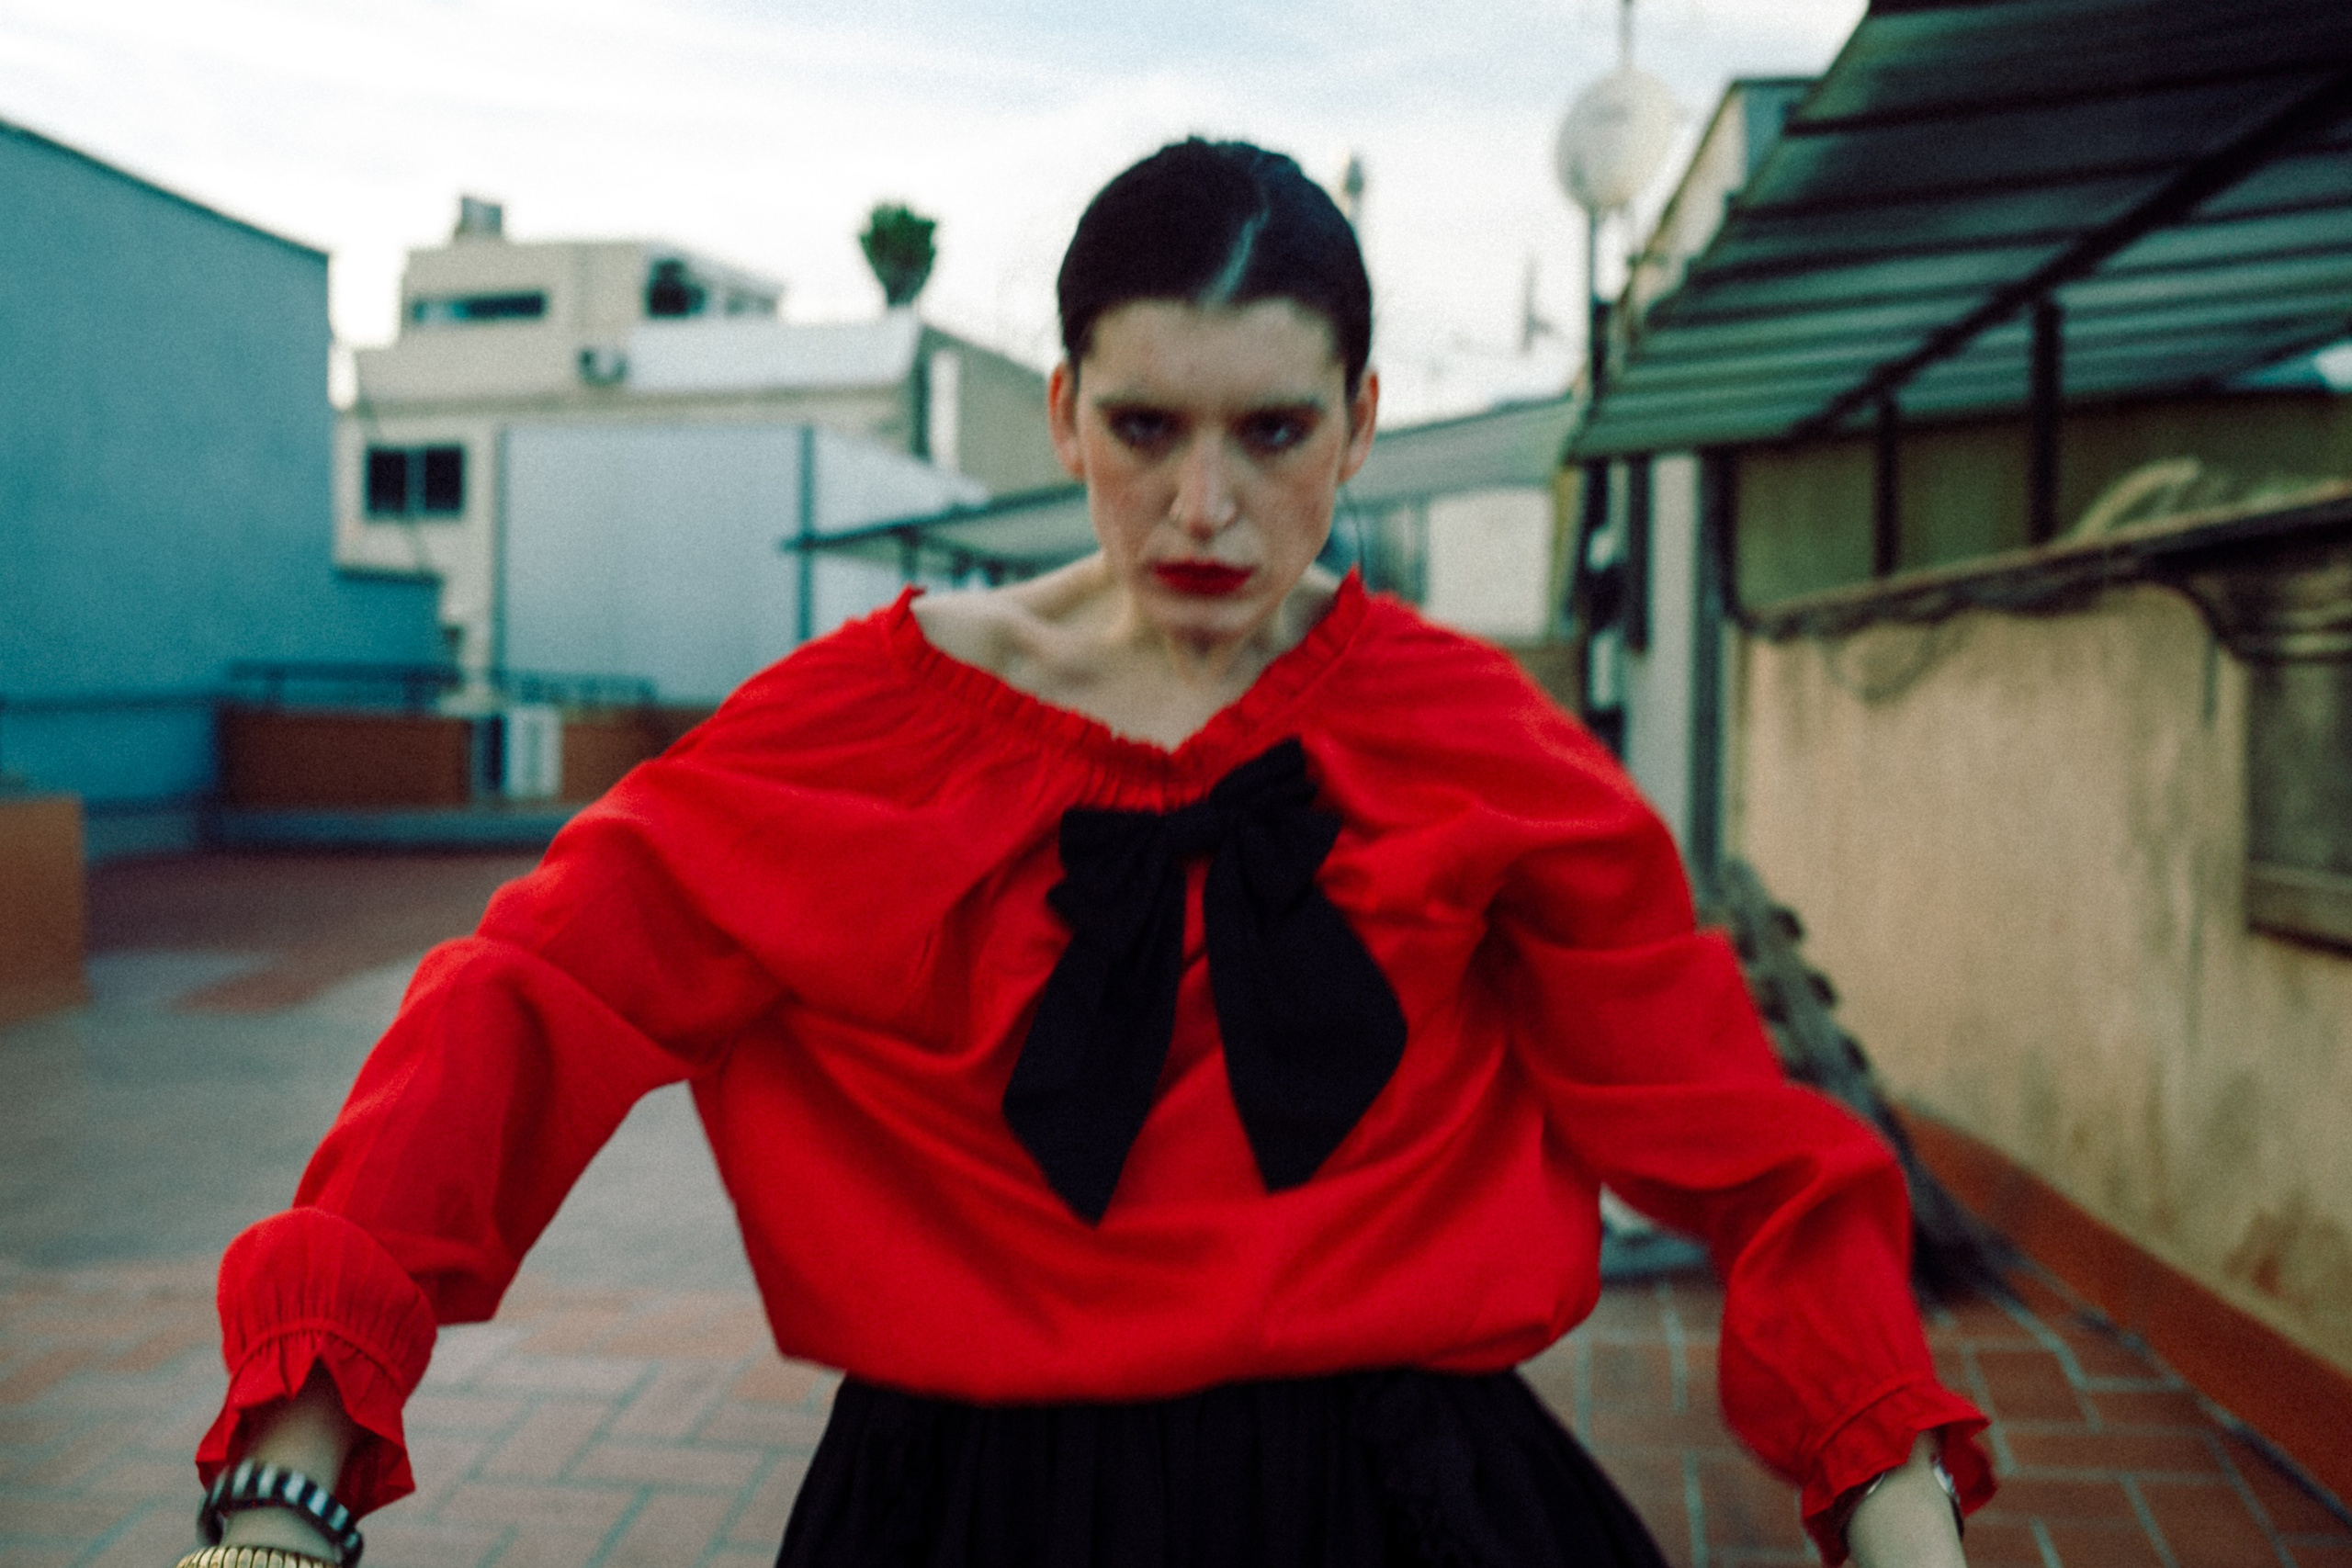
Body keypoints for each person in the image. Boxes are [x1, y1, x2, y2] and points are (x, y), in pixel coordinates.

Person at [184, 139, 1989, 1568]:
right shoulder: (858, 725)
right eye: (1144, 428)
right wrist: (291, 1476)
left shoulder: (1473, 741)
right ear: (1062, 414)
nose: (1204, 507)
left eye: (1272, 432)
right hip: (958, 1504)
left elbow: (1750, 1152)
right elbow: (524, 1001)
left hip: (1406, 1495)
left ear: (1359, 425)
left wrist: (1893, 1507)